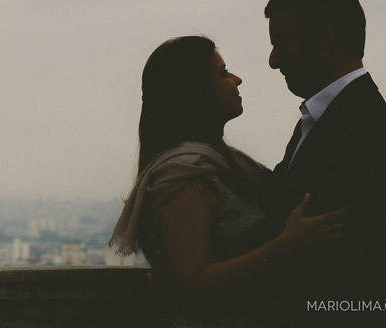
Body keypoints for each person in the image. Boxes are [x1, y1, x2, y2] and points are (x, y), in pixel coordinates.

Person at [110, 36, 342, 326]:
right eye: (223, 73)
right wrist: (286, 246)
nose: (237, 79)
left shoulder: (221, 164)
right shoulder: (185, 175)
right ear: (193, 91)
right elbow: (191, 284)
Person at [263, 0, 386, 315]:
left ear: (326, 39)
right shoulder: (339, 116)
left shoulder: (359, 128)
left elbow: (332, 265)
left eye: (282, 43)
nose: (272, 60)